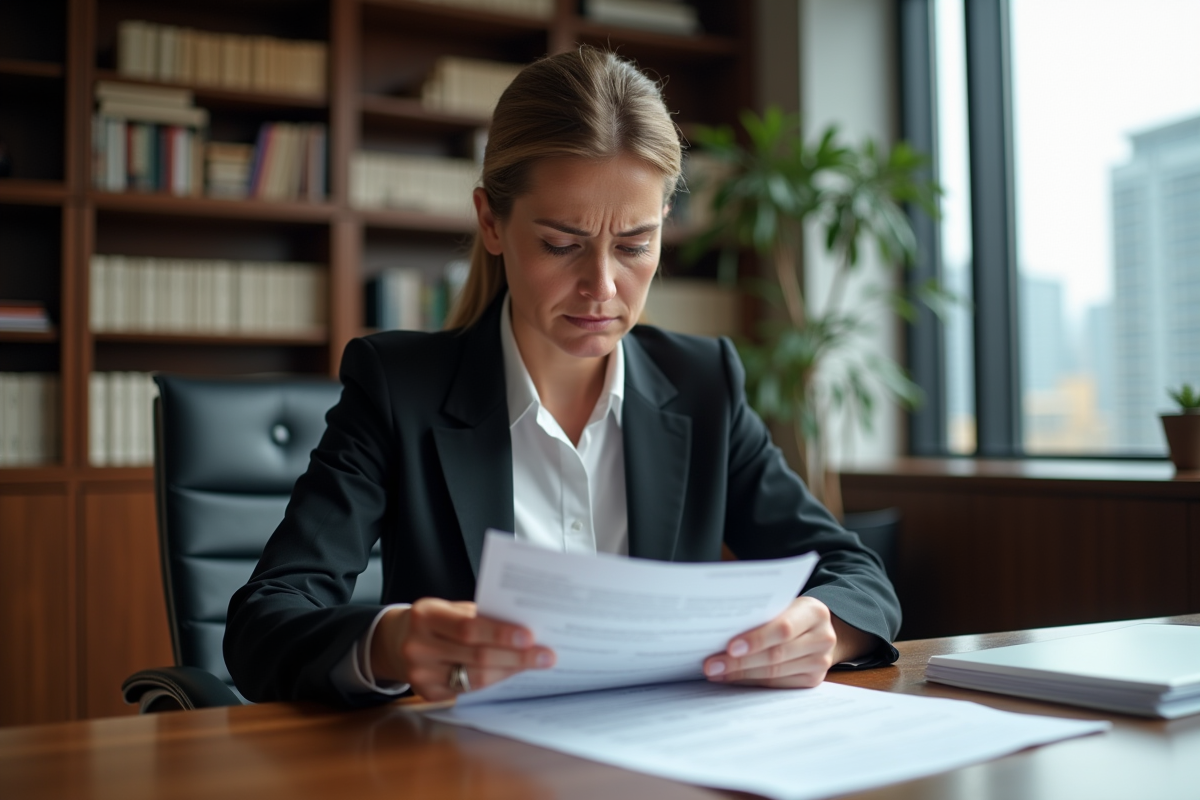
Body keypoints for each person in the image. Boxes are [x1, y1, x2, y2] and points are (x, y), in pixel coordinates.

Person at [225, 46, 901, 707]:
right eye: (562, 244)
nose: (602, 286)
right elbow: (265, 621)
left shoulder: (703, 386)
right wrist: (390, 642)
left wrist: (824, 630)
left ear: (665, 224)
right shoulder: (400, 389)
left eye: (635, 245)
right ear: (491, 220)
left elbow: (854, 574)